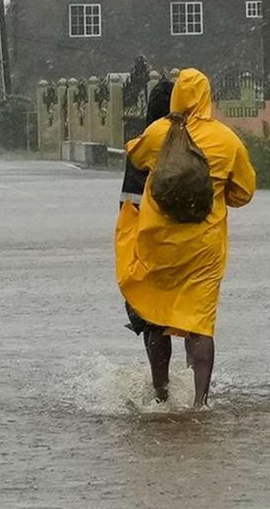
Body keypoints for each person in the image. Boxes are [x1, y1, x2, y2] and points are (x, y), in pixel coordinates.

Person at [120, 69, 257, 408]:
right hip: (204, 248)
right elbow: (244, 193)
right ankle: (200, 401)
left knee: (156, 316)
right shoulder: (227, 139)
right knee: (199, 323)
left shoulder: (159, 133)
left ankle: (160, 394)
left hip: (159, 243)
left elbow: (136, 158)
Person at [113, 77, 174, 396]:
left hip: (146, 246)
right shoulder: (196, 143)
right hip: (189, 245)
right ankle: (198, 393)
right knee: (193, 323)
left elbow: (128, 205)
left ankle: (161, 391)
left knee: (153, 323)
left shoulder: (140, 147)